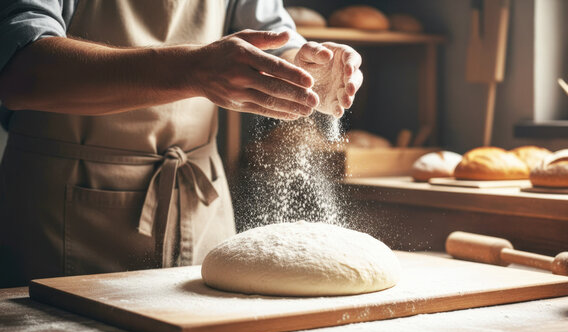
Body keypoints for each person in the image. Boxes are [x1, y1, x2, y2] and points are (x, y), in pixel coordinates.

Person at [0, 0, 363, 287]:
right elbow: (22, 71)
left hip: (200, 208)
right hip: (64, 218)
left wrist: (304, 67)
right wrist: (190, 71)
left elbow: (273, 36)